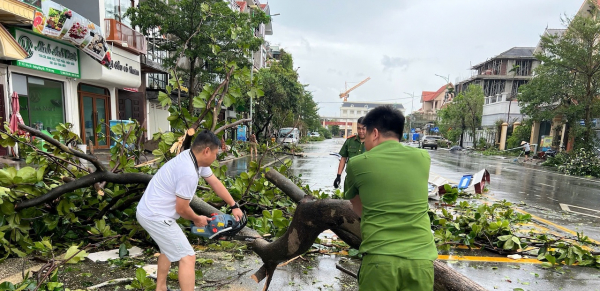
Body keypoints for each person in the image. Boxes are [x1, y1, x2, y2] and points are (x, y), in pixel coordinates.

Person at [136, 130, 243, 291]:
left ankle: (161, 288)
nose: (215, 158)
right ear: (206, 151)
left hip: (149, 211)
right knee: (187, 257)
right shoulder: (188, 172)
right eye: (215, 154)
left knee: (167, 249)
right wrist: (197, 219)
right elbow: (182, 208)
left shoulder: (192, 157)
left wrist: (233, 205)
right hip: (155, 216)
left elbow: (214, 182)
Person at [344, 106, 437, 290]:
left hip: (380, 259)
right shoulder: (423, 157)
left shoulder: (357, 163)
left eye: (366, 136)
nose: (365, 142)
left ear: (375, 133)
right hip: (421, 260)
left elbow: (357, 207)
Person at [333, 117, 366, 188]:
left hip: (366, 180)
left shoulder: (373, 143)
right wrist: (338, 176)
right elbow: (343, 158)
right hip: (350, 179)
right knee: (348, 198)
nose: (361, 131)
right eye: (359, 128)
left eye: (363, 129)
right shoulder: (350, 141)